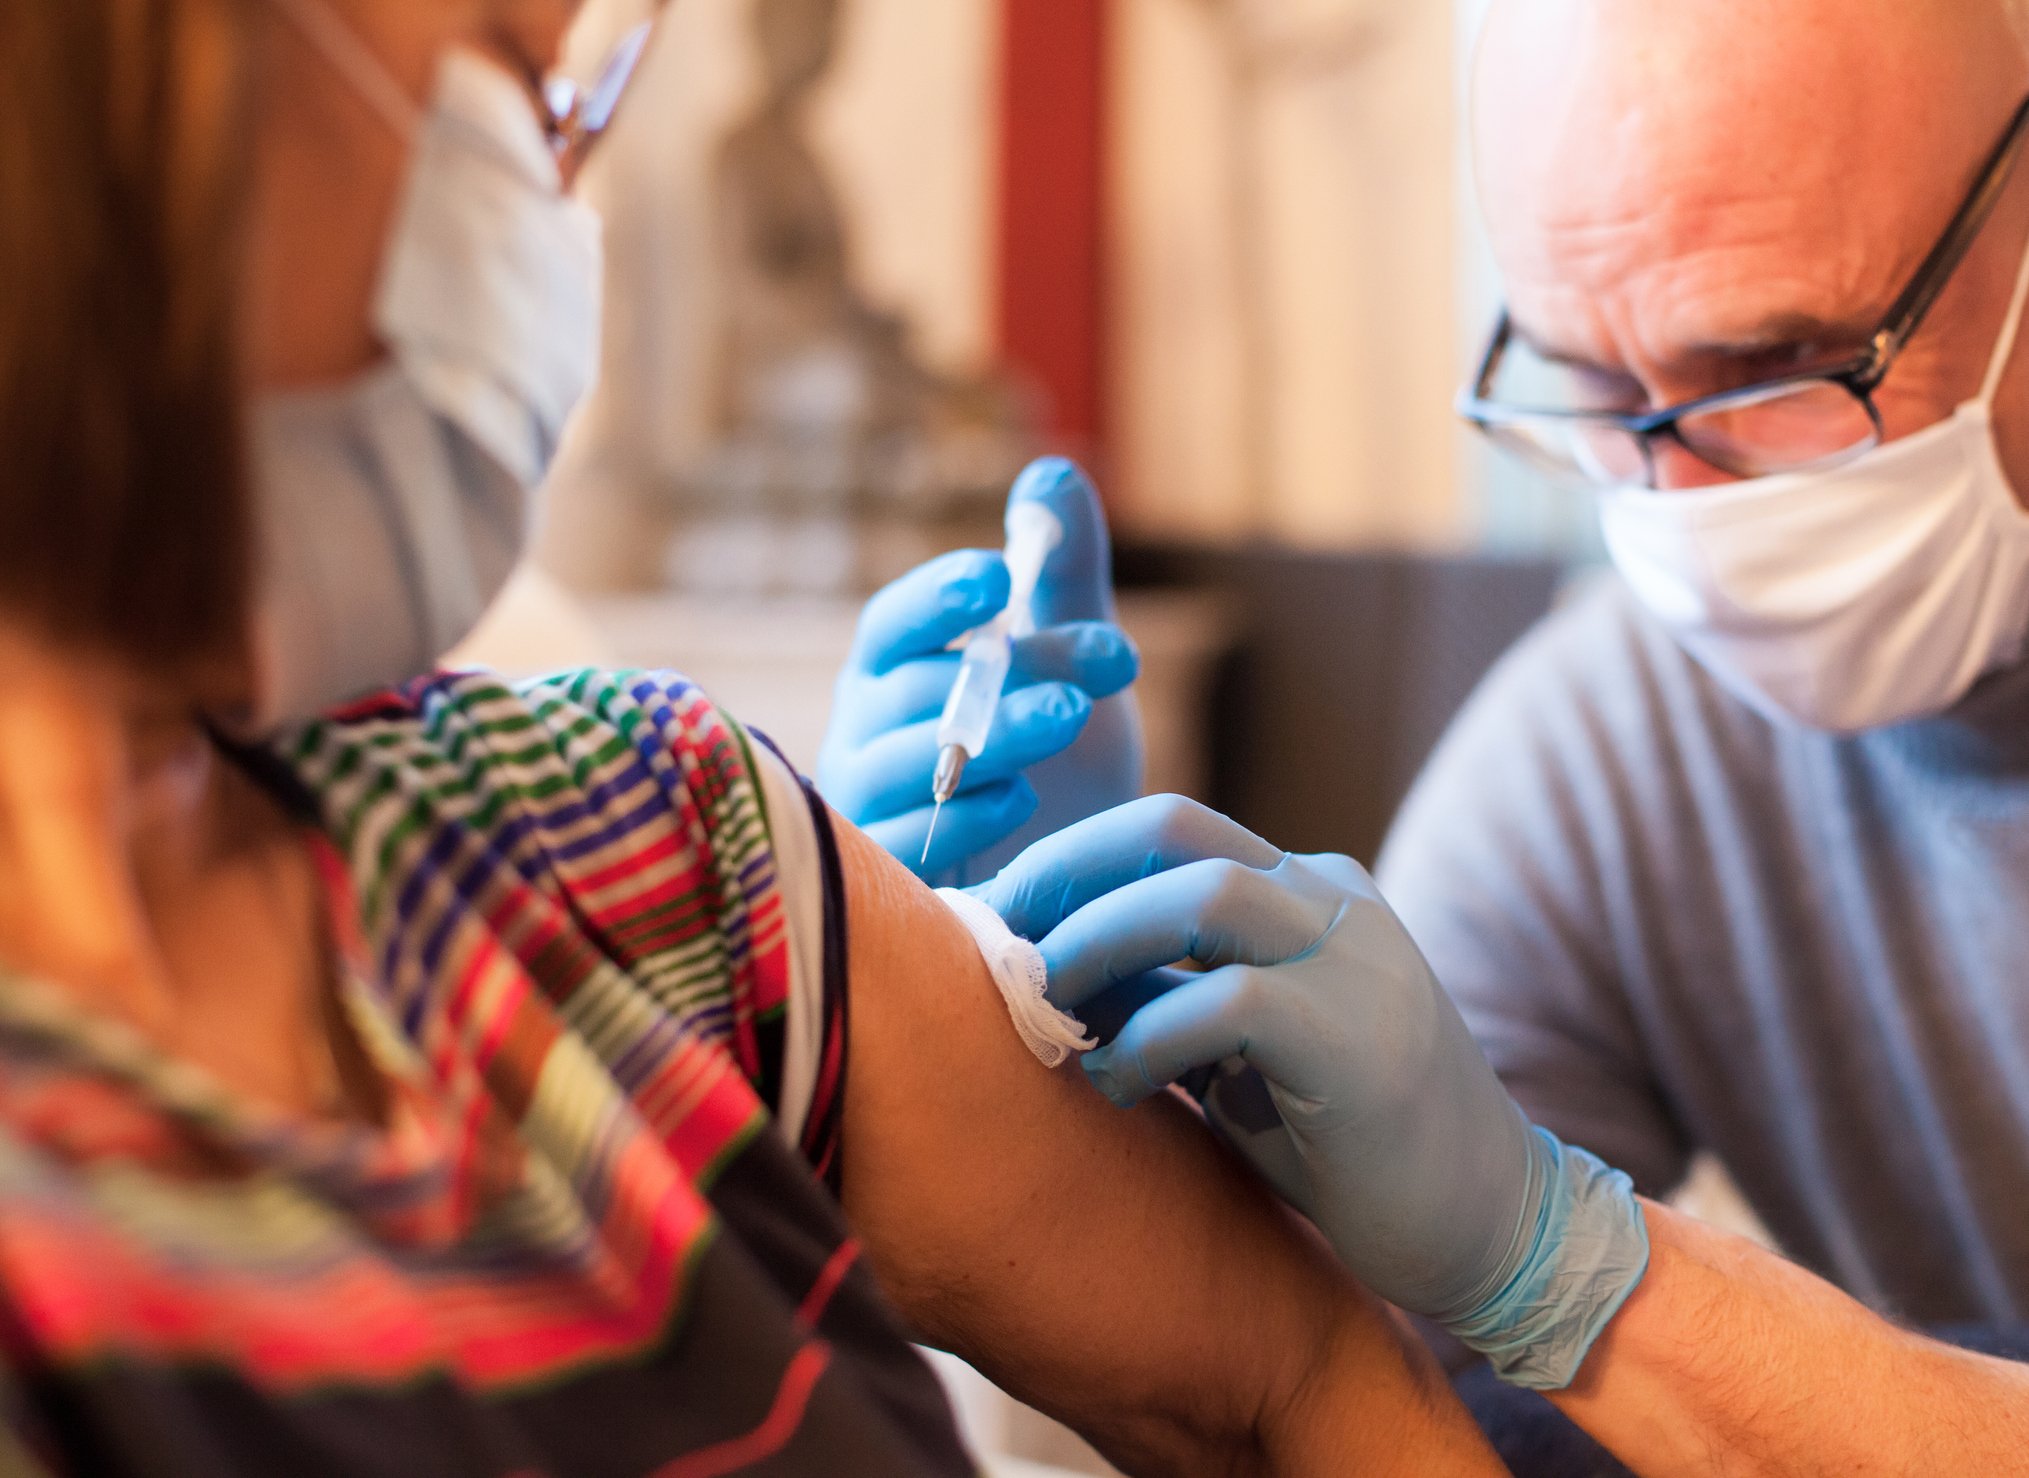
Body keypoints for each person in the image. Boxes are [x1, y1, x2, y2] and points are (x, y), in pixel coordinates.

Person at [0, 2, 1514, 1473]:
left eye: (575, 113)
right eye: (514, 83)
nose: (554, 203)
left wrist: (1549, 1251)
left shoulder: (643, 828)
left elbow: (1292, 1375)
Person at [823, 0, 2029, 1467]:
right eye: (1592, 385)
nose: (1685, 506)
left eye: (1782, 359)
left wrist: (1567, 1264)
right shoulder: (1610, 752)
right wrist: (1018, 1048)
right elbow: (1353, 1400)